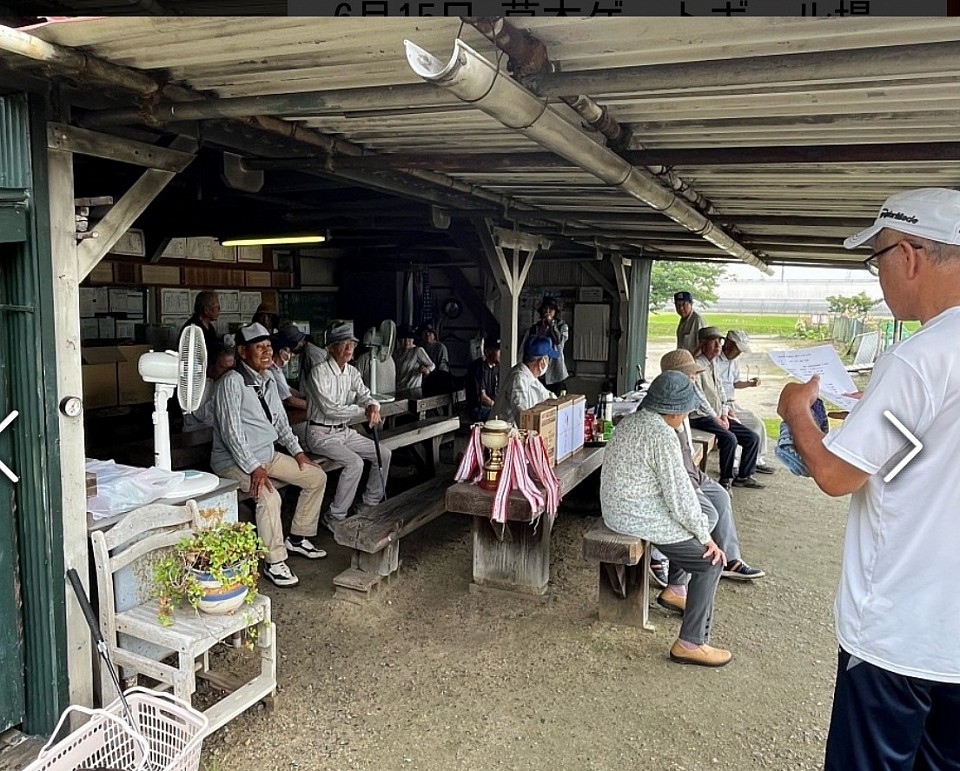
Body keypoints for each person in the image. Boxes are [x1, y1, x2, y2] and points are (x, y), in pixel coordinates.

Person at [777, 187, 960, 770]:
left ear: (907, 255)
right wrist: (871, 425)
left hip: (901, 634)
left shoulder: (919, 357)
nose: (878, 274)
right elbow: (929, 461)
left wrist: (796, 414)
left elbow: (836, 476)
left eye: (876, 258)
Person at [600, 370, 731, 668]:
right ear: (674, 411)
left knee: (699, 523)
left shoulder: (632, 420)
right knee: (711, 562)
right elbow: (679, 495)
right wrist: (706, 538)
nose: (685, 416)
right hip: (636, 514)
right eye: (685, 410)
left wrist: (699, 529)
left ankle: (677, 589)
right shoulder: (661, 434)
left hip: (619, 508)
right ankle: (690, 643)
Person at [210, 322, 328, 588]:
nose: (266, 352)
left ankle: (297, 538)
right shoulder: (231, 382)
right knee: (269, 496)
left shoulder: (268, 379)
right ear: (242, 351)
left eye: (268, 346)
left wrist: (298, 452)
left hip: (267, 455)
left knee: (316, 477)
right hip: (233, 462)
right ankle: (274, 562)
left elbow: (281, 423)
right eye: (258, 347)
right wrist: (254, 467)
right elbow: (231, 433)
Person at [660, 350, 765, 584]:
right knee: (705, 513)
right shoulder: (664, 404)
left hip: (691, 472)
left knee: (721, 497)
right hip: (677, 478)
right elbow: (668, 470)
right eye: (689, 376)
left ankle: (731, 560)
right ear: (672, 378)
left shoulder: (685, 399)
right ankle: (670, 567)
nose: (693, 380)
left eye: (693, 376)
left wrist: (723, 412)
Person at [303, 320, 391, 532]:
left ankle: (369, 504)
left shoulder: (351, 372)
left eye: (352, 343)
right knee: (355, 463)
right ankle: (334, 515)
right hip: (320, 434)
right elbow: (329, 409)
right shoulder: (319, 372)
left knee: (384, 453)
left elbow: (365, 394)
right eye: (344, 343)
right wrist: (363, 410)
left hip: (344, 431)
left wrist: (373, 406)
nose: (349, 348)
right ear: (331, 347)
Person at [690, 326, 764, 490]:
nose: (718, 346)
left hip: (716, 414)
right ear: (703, 344)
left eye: (719, 341)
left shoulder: (713, 363)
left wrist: (723, 413)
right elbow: (699, 398)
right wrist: (716, 418)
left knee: (752, 437)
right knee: (730, 438)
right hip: (700, 417)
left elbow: (721, 392)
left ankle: (744, 476)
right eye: (713, 342)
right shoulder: (696, 365)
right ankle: (725, 480)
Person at [716, 329, 775, 474]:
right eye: (737, 349)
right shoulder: (715, 360)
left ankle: (757, 460)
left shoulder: (734, 362)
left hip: (732, 403)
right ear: (727, 344)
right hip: (719, 405)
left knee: (757, 424)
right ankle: (734, 465)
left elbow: (735, 383)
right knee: (739, 428)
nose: (738, 353)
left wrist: (749, 383)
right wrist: (724, 409)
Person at [492, 335, 556, 426]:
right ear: (542, 362)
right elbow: (522, 415)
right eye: (548, 359)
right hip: (503, 432)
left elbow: (546, 396)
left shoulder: (530, 377)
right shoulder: (518, 378)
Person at [520, 296, 569, 394]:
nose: (547, 311)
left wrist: (552, 325)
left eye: (551, 309)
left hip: (555, 371)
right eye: (545, 308)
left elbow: (559, 342)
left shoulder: (562, 326)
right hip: (538, 371)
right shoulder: (535, 328)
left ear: (555, 311)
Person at [183, 343, 235, 433]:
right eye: (222, 367)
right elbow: (202, 416)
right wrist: (219, 394)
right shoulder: (198, 386)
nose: (227, 373)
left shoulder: (234, 383)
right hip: (198, 433)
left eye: (230, 369)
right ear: (212, 366)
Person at [268, 329, 307, 411]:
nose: (291, 355)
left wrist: (306, 397)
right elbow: (290, 401)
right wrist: (314, 407)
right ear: (281, 351)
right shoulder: (271, 371)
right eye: (288, 351)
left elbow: (288, 389)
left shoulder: (278, 369)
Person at [466, 338, 501, 421]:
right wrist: (496, 407)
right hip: (478, 408)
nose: (501, 353)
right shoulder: (478, 368)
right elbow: (482, 397)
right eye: (498, 350)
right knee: (500, 415)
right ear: (487, 352)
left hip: (490, 406)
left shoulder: (496, 368)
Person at [180, 290, 221, 361]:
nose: (219, 311)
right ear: (206, 310)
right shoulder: (192, 329)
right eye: (217, 307)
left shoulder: (210, 328)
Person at [393, 324, 434, 390]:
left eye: (409, 338)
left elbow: (431, 365)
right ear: (399, 340)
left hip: (413, 390)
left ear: (413, 340)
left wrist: (427, 370)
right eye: (404, 338)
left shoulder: (417, 351)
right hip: (398, 389)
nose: (407, 341)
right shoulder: (396, 353)